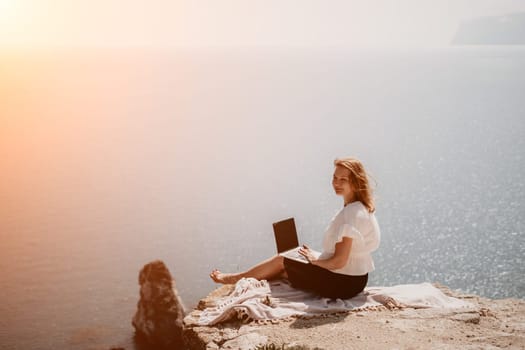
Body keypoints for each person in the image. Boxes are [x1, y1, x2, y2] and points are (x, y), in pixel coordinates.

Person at [210, 157, 381, 299]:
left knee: (281, 260)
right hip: (355, 279)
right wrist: (314, 256)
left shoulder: (351, 214)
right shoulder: (359, 207)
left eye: (343, 179)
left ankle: (233, 278)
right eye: (335, 178)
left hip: (342, 284)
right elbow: (345, 255)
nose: (336, 183)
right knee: (295, 255)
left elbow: (339, 262)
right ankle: (285, 269)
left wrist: (315, 261)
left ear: (356, 182)